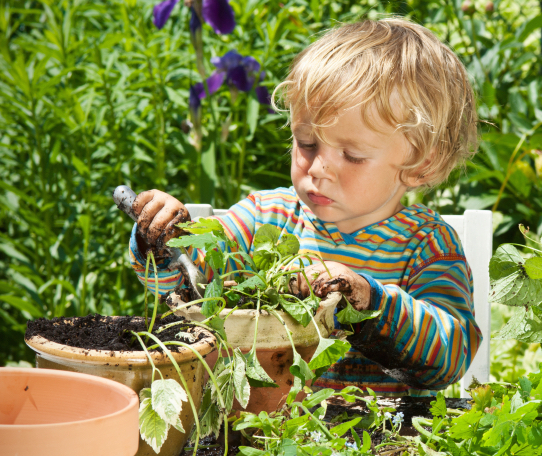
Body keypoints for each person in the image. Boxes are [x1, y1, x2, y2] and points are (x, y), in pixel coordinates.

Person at [128, 18, 482, 397]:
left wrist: (365, 297)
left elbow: (451, 356)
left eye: (352, 155)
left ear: (420, 164)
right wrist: (166, 239)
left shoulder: (427, 244)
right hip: (266, 431)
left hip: (383, 438)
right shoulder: (268, 218)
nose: (317, 169)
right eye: (307, 143)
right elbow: (189, 283)